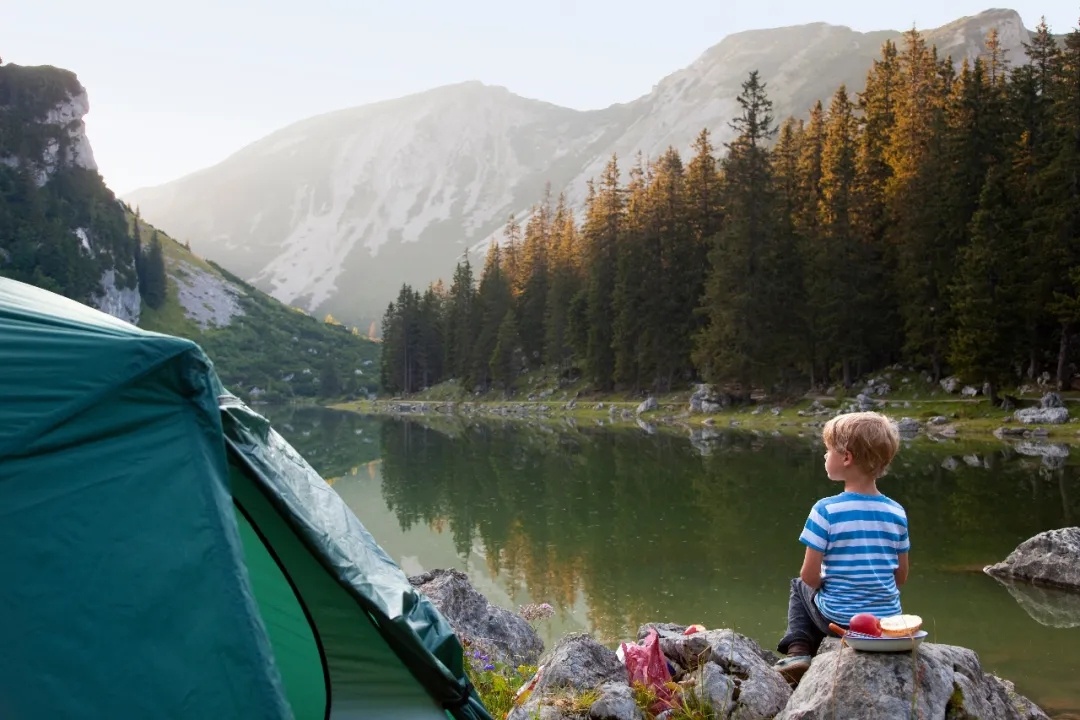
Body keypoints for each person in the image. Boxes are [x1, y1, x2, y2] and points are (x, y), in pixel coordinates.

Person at [772, 411, 909, 685]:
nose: (824, 457)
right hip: (886, 622)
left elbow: (810, 576)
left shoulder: (826, 510)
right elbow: (901, 576)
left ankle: (798, 651)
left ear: (846, 458)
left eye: (827, 451)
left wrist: (837, 588)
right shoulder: (897, 512)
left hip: (840, 619)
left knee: (799, 586)